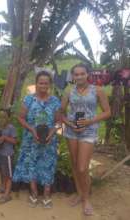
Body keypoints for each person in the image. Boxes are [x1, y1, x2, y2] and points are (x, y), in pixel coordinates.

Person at [61, 63, 111, 216]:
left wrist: (89, 122)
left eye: (82, 74)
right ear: (73, 76)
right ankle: (79, 193)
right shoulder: (69, 92)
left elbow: (107, 112)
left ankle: (86, 199)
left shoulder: (98, 90)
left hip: (89, 131)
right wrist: (69, 123)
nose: (79, 77)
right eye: (76, 74)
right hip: (72, 131)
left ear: (87, 74)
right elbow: (61, 113)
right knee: (75, 165)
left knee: (83, 167)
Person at [12, 71, 61, 209]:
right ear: (36, 83)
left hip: (49, 141)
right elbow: (20, 118)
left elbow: (58, 122)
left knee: (48, 167)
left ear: (50, 84)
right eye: (40, 82)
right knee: (31, 165)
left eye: (46, 83)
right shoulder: (28, 99)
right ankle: (33, 193)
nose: (43, 85)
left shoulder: (55, 101)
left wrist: (52, 132)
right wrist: (32, 129)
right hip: (31, 140)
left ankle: (46, 195)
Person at [0, 109, 17, 204]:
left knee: (8, 174)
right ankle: (3, 187)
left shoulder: (11, 128)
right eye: (0, 117)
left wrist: (5, 138)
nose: (2, 119)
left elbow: (15, 141)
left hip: (8, 154)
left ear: (8, 118)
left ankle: (7, 194)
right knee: (2, 171)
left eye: (4, 117)